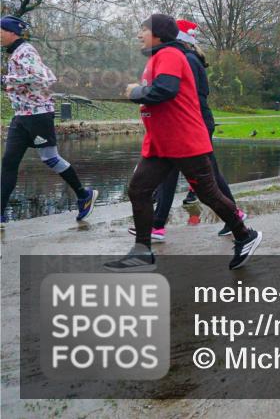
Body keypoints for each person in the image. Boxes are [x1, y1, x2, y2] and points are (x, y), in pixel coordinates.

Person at [107, 14, 261, 271]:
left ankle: (245, 235)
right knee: (139, 190)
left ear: (158, 34)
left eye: (143, 30)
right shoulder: (159, 57)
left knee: (208, 193)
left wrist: (135, 92)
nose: (138, 34)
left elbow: (165, 90)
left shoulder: (170, 55)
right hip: (162, 142)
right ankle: (142, 252)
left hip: (183, 139)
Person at [140, 20, 245, 242]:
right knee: (176, 175)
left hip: (194, 123)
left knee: (209, 177)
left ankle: (237, 220)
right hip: (192, 122)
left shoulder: (185, 58)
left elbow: (185, 95)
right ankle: (157, 225)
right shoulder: (187, 57)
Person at [1, 15, 98, 223]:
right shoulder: (15, 53)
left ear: (11, 32)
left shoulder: (25, 51)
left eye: (0, 31)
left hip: (38, 115)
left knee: (50, 159)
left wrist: (5, 80)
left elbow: (42, 78)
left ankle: (84, 195)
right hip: (21, 117)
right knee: (8, 163)